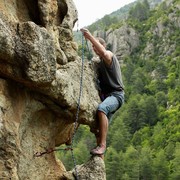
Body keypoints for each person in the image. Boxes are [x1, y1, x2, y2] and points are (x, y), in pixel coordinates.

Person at [80, 28, 124, 157]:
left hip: (116, 95)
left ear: (103, 45)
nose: (94, 49)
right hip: (108, 96)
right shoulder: (99, 64)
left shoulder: (110, 56)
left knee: (102, 109)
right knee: (99, 131)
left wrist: (89, 37)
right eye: (93, 47)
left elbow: (104, 53)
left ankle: (102, 146)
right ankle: (100, 158)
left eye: (96, 46)